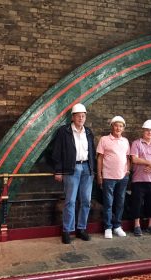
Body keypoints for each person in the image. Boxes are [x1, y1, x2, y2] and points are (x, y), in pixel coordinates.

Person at [52, 103, 95, 244]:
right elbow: (56, 152)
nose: (81, 118)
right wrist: (58, 170)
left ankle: (81, 229)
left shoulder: (88, 132)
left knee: (86, 201)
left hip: (87, 169)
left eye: (83, 116)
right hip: (71, 169)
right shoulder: (64, 131)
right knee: (70, 201)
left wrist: (92, 169)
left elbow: (92, 152)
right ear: (73, 117)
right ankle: (67, 231)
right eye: (78, 116)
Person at [96, 116, 130, 239]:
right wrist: (99, 175)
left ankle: (117, 226)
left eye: (121, 126)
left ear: (123, 128)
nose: (118, 128)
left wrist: (128, 170)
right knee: (108, 203)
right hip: (108, 177)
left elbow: (127, 158)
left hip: (123, 177)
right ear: (112, 126)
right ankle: (108, 227)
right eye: (116, 125)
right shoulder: (104, 140)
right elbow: (99, 158)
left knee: (120, 203)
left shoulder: (125, 141)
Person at [130, 120, 151, 236]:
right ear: (143, 131)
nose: (149, 132)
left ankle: (150, 225)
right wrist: (148, 162)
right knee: (137, 202)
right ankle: (137, 225)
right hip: (138, 179)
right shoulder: (136, 143)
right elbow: (134, 159)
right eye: (147, 130)